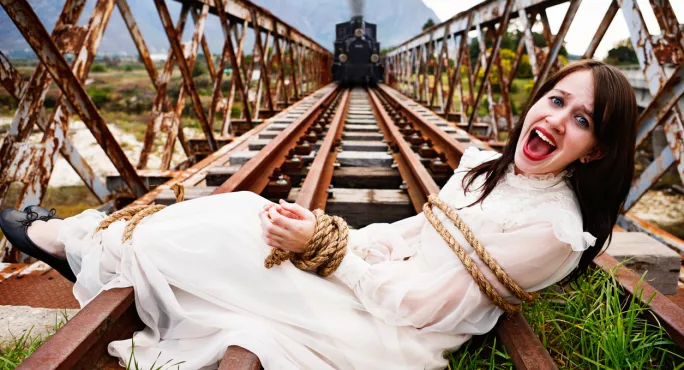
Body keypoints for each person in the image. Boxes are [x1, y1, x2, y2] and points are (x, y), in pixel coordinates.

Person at [0, 60, 636, 370]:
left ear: (599, 148)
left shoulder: (553, 231)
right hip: (379, 292)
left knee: (231, 229)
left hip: (395, 335)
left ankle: (73, 240)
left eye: (581, 120)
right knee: (247, 214)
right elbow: (412, 232)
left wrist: (328, 253)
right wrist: (335, 237)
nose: (554, 119)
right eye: (555, 99)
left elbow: (423, 308)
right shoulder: (486, 169)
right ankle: (78, 237)